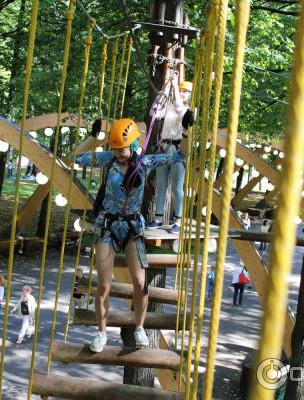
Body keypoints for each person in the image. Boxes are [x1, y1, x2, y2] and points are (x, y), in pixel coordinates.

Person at [76, 118, 188, 353]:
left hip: (132, 228)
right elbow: (76, 158)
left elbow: (180, 156)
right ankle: (101, 332)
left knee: (140, 282)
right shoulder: (109, 159)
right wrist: (92, 137)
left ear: (134, 144)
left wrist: (186, 132)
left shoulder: (145, 162)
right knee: (105, 285)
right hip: (108, 226)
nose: (118, 154)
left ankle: (139, 327)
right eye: (115, 150)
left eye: (122, 150)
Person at [146, 80, 194, 234]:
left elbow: (180, 108)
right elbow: (154, 112)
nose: (182, 93)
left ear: (190, 95)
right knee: (161, 186)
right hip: (163, 146)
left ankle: (178, 221)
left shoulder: (190, 110)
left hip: (177, 149)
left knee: (177, 188)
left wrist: (174, 86)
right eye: (181, 90)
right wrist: (165, 90)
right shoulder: (169, 106)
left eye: (185, 91)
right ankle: (158, 218)